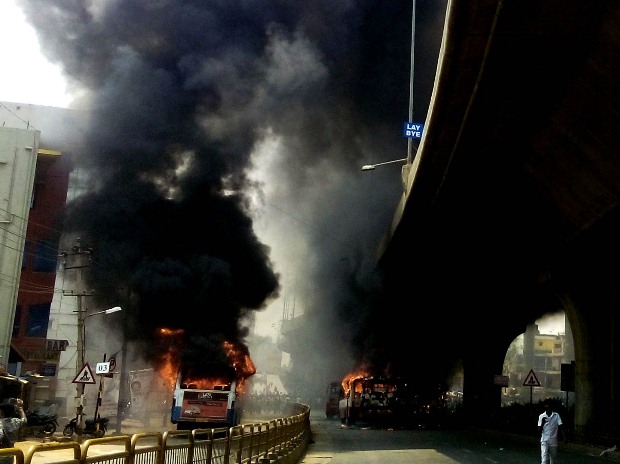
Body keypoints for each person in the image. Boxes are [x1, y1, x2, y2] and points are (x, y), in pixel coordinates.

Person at [0, 398, 27, 464]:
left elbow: (1, 436)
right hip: (10, 454)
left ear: (1, 412)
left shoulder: (0, 423)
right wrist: (20, 408)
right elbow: (24, 421)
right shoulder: (15, 421)